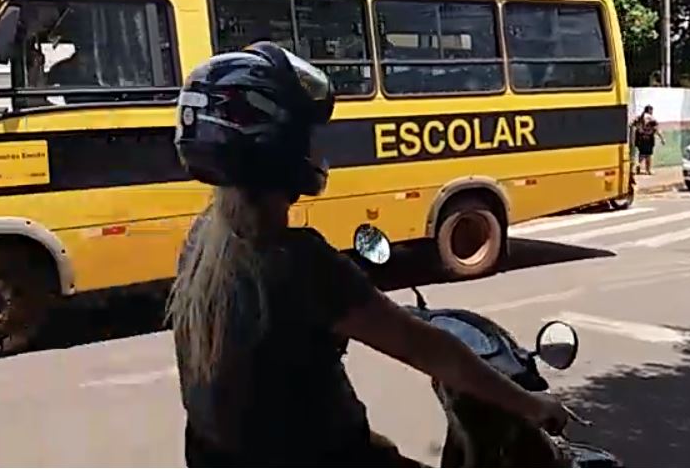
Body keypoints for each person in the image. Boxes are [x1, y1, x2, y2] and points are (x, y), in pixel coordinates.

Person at [168, 41, 570, 467]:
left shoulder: (201, 245)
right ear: (276, 143)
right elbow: (425, 348)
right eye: (304, 135)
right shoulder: (296, 261)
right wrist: (529, 404)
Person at [632, 105, 665, 175]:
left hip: (640, 139)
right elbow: (656, 129)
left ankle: (638, 167)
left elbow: (633, 124)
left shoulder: (640, 117)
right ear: (649, 110)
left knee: (641, 154)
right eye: (652, 110)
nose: (652, 112)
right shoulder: (651, 118)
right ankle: (648, 170)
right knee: (648, 156)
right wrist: (662, 138)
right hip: (648, 139)